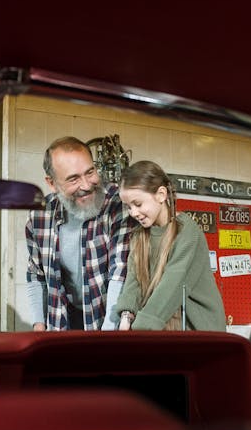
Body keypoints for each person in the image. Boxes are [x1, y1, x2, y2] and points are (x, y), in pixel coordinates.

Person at [25, 136, 135, 330]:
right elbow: (36, 274)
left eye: (90, 172)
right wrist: (39, 326)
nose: (86, 185)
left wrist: (109, 335)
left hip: (109, 317)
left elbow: (120, 272)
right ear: (52, 183)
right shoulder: (39, 216)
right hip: (65, 319)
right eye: (73, 179)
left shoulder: (118, 204)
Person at [115, 160, 226, 331]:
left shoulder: (187, 232)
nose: (133, 213)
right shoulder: (139, 236)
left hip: (200, 334)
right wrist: (125, 317)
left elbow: (172, 286)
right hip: (163, 329)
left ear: (161, 194)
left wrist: (138, 331)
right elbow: (134, 281)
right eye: (128, 207)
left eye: (138, 204)